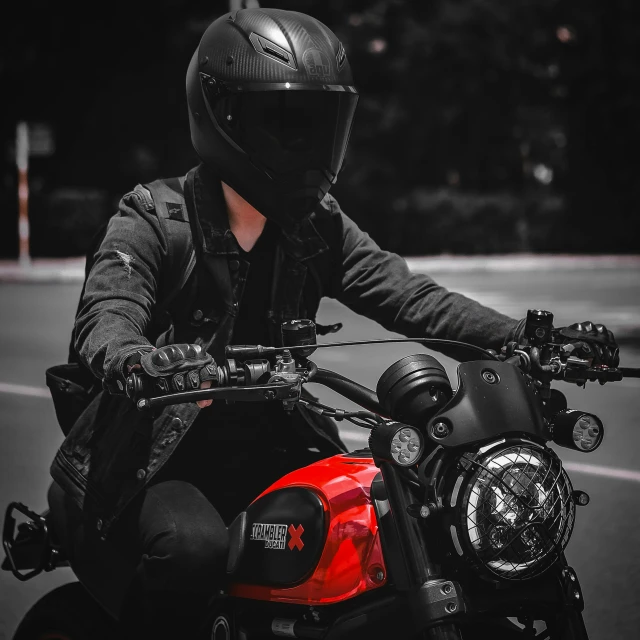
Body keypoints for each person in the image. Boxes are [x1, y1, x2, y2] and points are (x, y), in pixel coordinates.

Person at [46, 7, 619, 640]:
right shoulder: (155, 218)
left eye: (322, 123)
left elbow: (410, 297)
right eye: (288, 123)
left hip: (277, 438)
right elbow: (107, 316)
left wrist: (525, 339)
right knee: (193, 552)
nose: (310, 146)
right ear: (224, 116)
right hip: (158, 458)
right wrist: (137, 359)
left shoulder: (317, 226)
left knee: (395, 519)